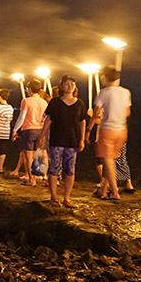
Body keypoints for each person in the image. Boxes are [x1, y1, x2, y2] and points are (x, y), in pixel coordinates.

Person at [41, 75, 86, 206]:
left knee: (70, 170)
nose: (70, 86)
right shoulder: (55, 102)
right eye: (67, 84)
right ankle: (54, 197)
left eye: (72, 84)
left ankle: (67, 198)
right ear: (61, 86)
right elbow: (49, 119)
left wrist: (82, 139)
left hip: (72, 141)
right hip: (56, 140)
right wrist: (42, 136)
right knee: (54, 168)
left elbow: (82, 121)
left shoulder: (80, 104)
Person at [92, 66, 130, 201]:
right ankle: (103, 190)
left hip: (108, 129)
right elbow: (127, 112)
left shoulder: (104, 92)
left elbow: (96, 112)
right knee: (111, 161)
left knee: (107, 160)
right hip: (122, 130)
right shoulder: (126, 92)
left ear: (105, 77)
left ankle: (114, 191)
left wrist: (89, 129)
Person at [11, 79, 48, 186]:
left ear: (30, 89)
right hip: (40, 130)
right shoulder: (44, 102)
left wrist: (15, 130)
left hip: (28, 130)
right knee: (38, 155)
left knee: (28, 156)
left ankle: (31, 179)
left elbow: (22, 117)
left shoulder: (26, 101)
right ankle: (38, 175)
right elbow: (45, 117)